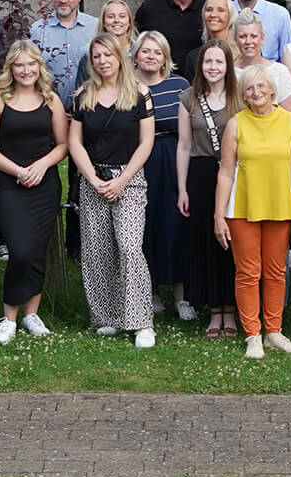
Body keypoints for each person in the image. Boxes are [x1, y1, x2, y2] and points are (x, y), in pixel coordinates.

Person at [66, 34, 156, 343]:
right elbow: (74, 142)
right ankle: (107, 315)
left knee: (130, 249)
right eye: (97, 56)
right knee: (97, 250)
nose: (103, 61)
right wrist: (92, 178)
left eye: (108, 54)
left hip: (128, 180)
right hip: (93, 179)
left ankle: (141, 320)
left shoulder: (139, 94)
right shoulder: (83, 96)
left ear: (120, 56)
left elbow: (146, 143)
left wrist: (122, 180)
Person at [218, 61, 291, 357]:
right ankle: (252, 335)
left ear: (272, 90)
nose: (256, 92)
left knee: (276, 272)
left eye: (261, 86)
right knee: (247, 272)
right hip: (243, 206)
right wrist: (218, 215)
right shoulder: (235, 123)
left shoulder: (290, 121)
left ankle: (273, 332)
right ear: (243, 94)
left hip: (280, 205)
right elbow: (225, 172)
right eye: (250, 88)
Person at [0, 40, 67, 343]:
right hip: (10, 185)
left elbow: (64, 144)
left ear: (39, 66)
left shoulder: (50, 99)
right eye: (19, 65)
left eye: (31, 64)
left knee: (38, 251)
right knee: (20, 251)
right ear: (11, 68)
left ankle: (32, 314)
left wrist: (41, 166)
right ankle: (9, 318)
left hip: (45, 185)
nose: (26, 70)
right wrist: (18, 171)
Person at [177, 39, 240, 337]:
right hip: (201, 174)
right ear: (200, 65)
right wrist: (182, 188)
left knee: (233, 240)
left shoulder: (239, 98)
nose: (213, 67)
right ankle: (215, 310)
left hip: (236, 175)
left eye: (219, 62)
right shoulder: (188, 98)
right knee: (206, 241)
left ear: (228, 66)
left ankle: (233, 307)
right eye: (208, 62)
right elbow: (184, 145)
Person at [132, 32, 191, 320]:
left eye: (157, 52)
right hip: (140, 159)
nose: (151, 57)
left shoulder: (179, 85)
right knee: (146, 223)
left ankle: (181, 294)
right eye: (145, 51)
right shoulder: (127, 87)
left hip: (174, 157)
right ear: (135, 56)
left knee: (175, 223)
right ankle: (152, 290)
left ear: (165, 57)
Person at [31, 0, 99, 99]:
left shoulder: (96, 27)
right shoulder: (37, 30)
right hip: (49, 105)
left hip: (89, 107)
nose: (63, 0)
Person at [69, 0, 137, 90]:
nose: (116, 20)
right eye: (110, 16)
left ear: (129, 22)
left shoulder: (140, 51)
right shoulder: (89, 53)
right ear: (104, 22)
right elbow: (81, 89)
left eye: (122, 16)